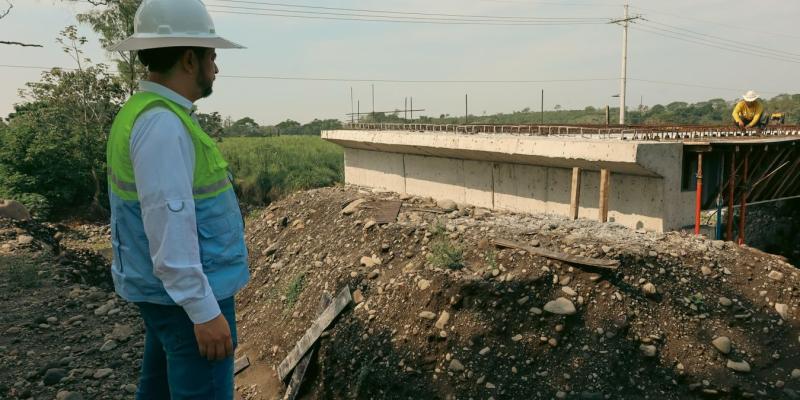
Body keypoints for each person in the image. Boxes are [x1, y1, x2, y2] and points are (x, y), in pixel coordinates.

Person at [106, 0, 248, 398]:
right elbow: (167, 220)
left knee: (157, 390)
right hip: (187, 300)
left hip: (167, 296)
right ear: (189, 59)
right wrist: (203, 311)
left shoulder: (146, 113)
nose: (216, 68)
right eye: (212, 57)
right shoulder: (162, 124)